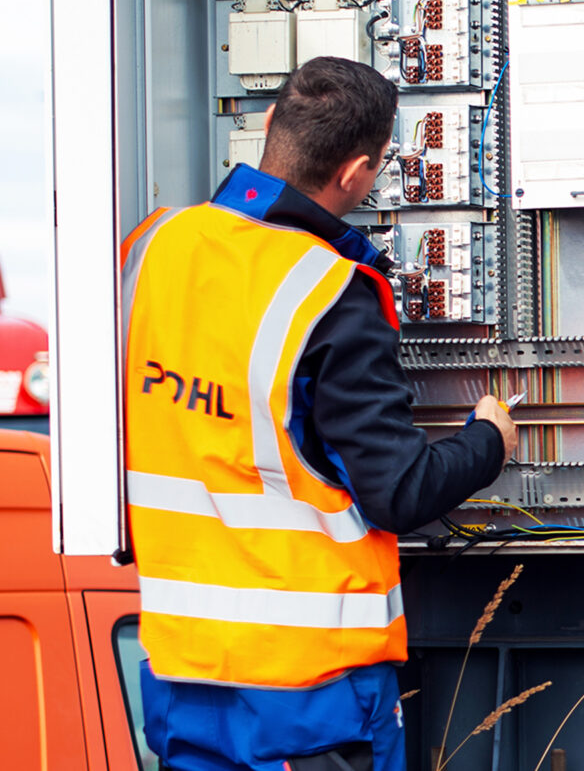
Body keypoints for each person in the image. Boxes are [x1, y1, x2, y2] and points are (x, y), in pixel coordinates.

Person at [120, 56, 520, 771]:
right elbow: (398, 489)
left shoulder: (153, 247)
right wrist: (488, 439)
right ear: (358, 173)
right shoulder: (331, 292)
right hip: (309, 692)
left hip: (183, 671)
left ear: (268, 123)